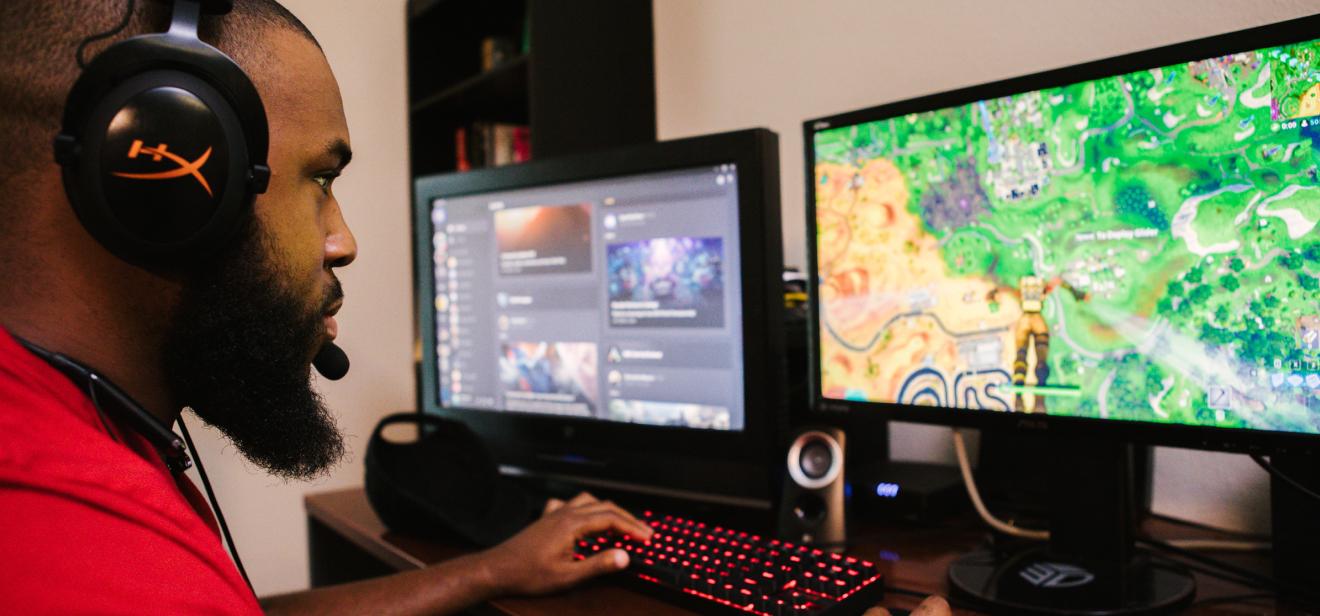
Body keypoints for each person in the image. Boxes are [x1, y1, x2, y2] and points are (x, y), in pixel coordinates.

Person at [0, 2, 951, 615]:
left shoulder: (61, 429)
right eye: (318, 179)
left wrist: (485, 569)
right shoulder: (67, 538)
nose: (344, 239)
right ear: (162, 176)